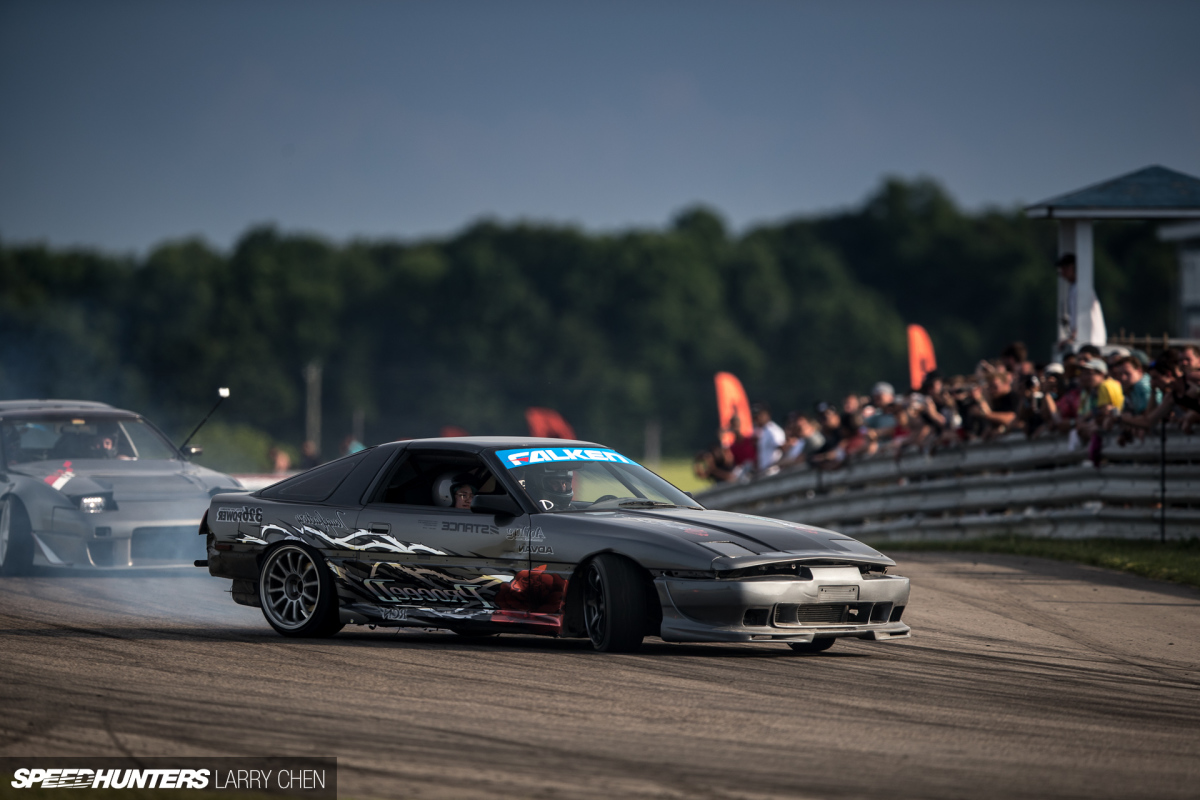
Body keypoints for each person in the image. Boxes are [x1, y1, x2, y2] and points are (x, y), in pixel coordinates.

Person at [752, 404, 785, 473]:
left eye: (759, 415)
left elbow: (783, 448)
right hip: (765, 472)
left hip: (774, 472)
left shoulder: (773, 430)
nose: (757, 419)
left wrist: (778, 465)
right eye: (755, 416)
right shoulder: (764, 431)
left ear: (767, 415)